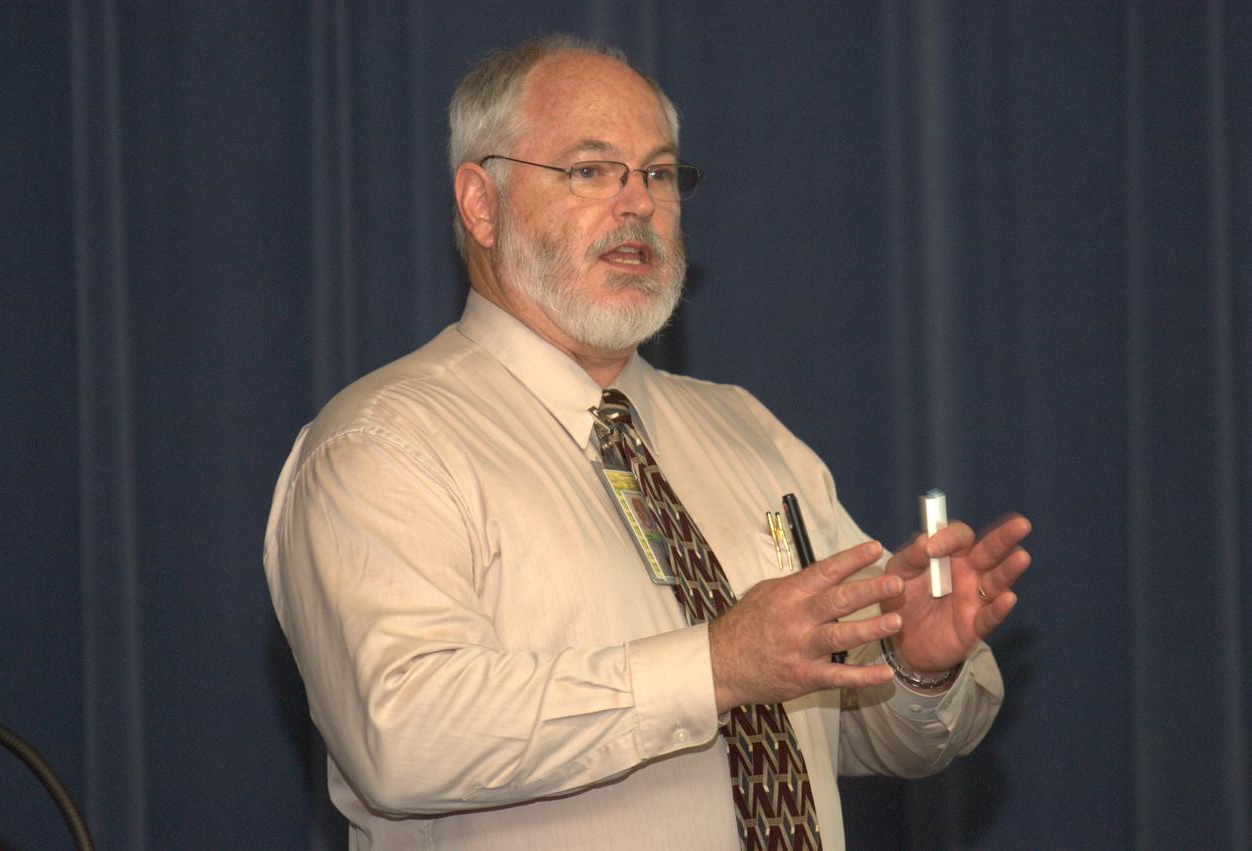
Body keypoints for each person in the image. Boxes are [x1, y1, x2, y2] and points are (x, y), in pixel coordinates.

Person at [264, 33, 1032, 850]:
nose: (637, 204)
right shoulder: (384, 444)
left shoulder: (745, 431)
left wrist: (914, 667)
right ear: (480, 204)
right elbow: (402, 733)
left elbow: (867, 737)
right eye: (591, 170)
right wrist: (713, 665)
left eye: (658, 174)